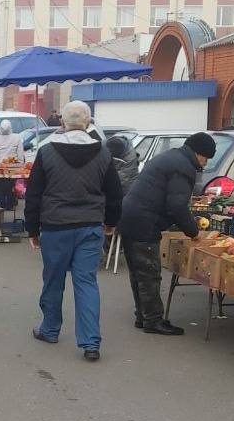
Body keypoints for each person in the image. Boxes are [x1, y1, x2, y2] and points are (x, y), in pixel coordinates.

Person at [25, 101, 123, 361]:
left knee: (53, 279)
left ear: (62, 123)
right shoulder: (103, 153)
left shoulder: (46, 152)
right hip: (90, 225)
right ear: (89, 122)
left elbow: (34, 194)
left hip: (55, 226)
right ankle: (91, 342)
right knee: (86, 282)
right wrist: (111, 222)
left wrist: (32, 229)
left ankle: (50, 328)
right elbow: (115, 193)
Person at [118, 132, 216, 335]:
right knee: (149, 273)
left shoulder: (171, 157)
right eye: (205, 158)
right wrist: (193, 232)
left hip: (129, 216)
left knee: (138, 273)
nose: (205, 164)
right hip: (144, 222)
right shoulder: (183, 167)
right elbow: (176, 206)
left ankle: (143, 316)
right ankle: (153, 320)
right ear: (198, 153)